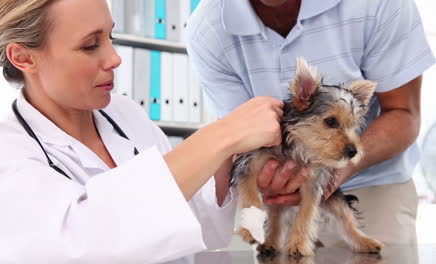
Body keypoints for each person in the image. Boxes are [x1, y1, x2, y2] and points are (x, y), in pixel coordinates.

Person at [0, 0, 289, 263]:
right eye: (90, 45)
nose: (115, 58)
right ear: (23, 57)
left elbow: (187, 219)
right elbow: (86, 244)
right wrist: (221, 135)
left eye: (111, 37)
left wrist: (225, 161)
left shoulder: (125, 114)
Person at [186, 0, 435, 246]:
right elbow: (239, 138)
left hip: (375, 190)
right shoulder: (208, 28)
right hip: (272, 195)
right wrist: (268, 186)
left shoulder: (378, 4)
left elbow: (404, 113)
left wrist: (332, 172)